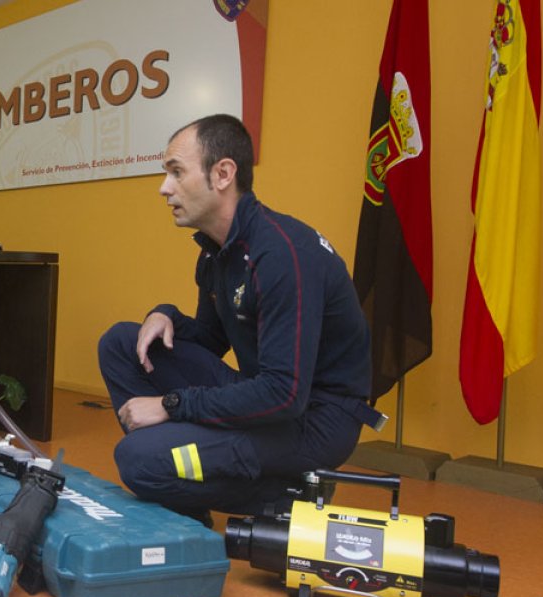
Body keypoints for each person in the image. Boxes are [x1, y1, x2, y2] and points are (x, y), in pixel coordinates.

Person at [97, 114, 381, 523]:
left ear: (223, 173)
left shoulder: (281, 255)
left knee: (138, 460)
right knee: (121, 343)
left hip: (313, 422)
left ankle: (287, 494)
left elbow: (284, 394)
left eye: (176, 172)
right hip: (266, 396)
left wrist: (171, 405)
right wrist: (166, 314)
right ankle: (184, 497)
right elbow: (210, 339)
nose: (164, 188)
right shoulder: (217, 251)